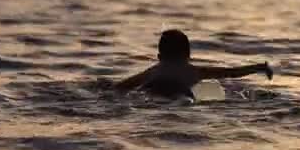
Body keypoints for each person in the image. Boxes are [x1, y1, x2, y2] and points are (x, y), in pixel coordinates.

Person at [115, 29, 273, 99]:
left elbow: (122, 86)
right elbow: (232, 72)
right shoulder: (194, 71)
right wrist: (259, 67)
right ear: (188, 56)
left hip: (151, 90)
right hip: (180, 94)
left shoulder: (153, 71)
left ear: (159, 57)